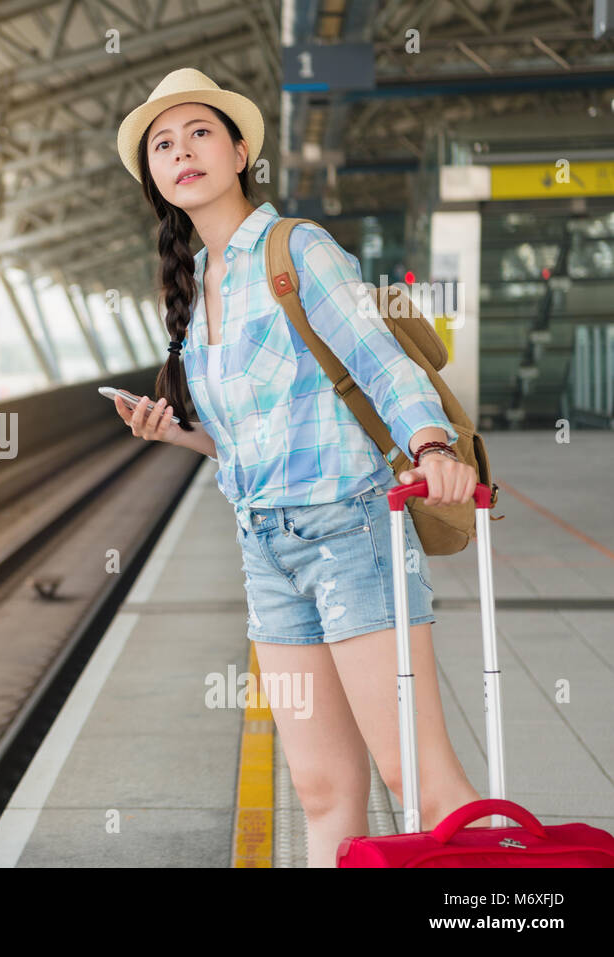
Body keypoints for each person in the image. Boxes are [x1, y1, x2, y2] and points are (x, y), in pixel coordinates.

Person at [111, 68, 486, 866]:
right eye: (163, 145)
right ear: (155, 179)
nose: (182, 152)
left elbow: (384, 364)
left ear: (241, 148)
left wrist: (432, 447)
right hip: (266, 554)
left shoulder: (296, 249)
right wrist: (174, 434)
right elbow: (248, 439)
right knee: (321, 791)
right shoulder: (194, 290)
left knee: (417, 779)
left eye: (199, 133)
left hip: (350, 533)